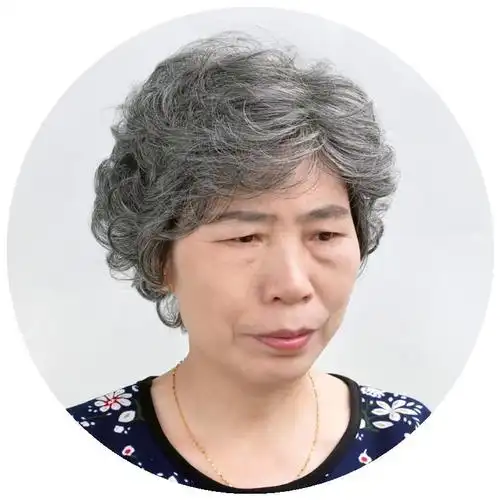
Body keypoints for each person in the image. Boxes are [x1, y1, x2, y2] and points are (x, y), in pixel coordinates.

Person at [67, 32, 431, 493]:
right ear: (159, 256)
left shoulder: (408, 439)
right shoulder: (76, 451)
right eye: (244, 238)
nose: (292, 285)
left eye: (324, 234)